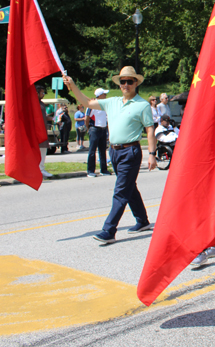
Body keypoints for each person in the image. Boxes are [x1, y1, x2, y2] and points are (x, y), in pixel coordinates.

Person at [63, 66, 157, 245]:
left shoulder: (142, 105)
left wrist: (152, 154)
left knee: (121, 191)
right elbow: (88, 102)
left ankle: (109, 230)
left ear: (136, 83)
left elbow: (150, 129)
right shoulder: (112, 102)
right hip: (113, 151)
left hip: (130, 151)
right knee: (129, 187)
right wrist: (73, 86)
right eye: (123, 81)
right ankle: (143, 221)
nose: (126, 84)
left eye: (130, 81)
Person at [86, 88, 110, 177]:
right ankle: (90, 170)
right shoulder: (92, 105)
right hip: (95, 129)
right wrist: (88, 128)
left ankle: (104, 169)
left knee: (102, 150)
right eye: (104, 94)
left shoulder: (104, 105)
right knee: (92, 150)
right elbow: (87, 117)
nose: (105, 96)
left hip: (103, 129)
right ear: (99, 95)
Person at [35, 85, 53, 178]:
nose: (44, 94)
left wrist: (51, 118)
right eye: (42, 92)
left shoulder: (41, 103)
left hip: (42, 129)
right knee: (36, 150)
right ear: (36, 93)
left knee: (43, 149)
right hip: (35, 130)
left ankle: (41, 169)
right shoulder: (32, 103)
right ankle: (37, 170)